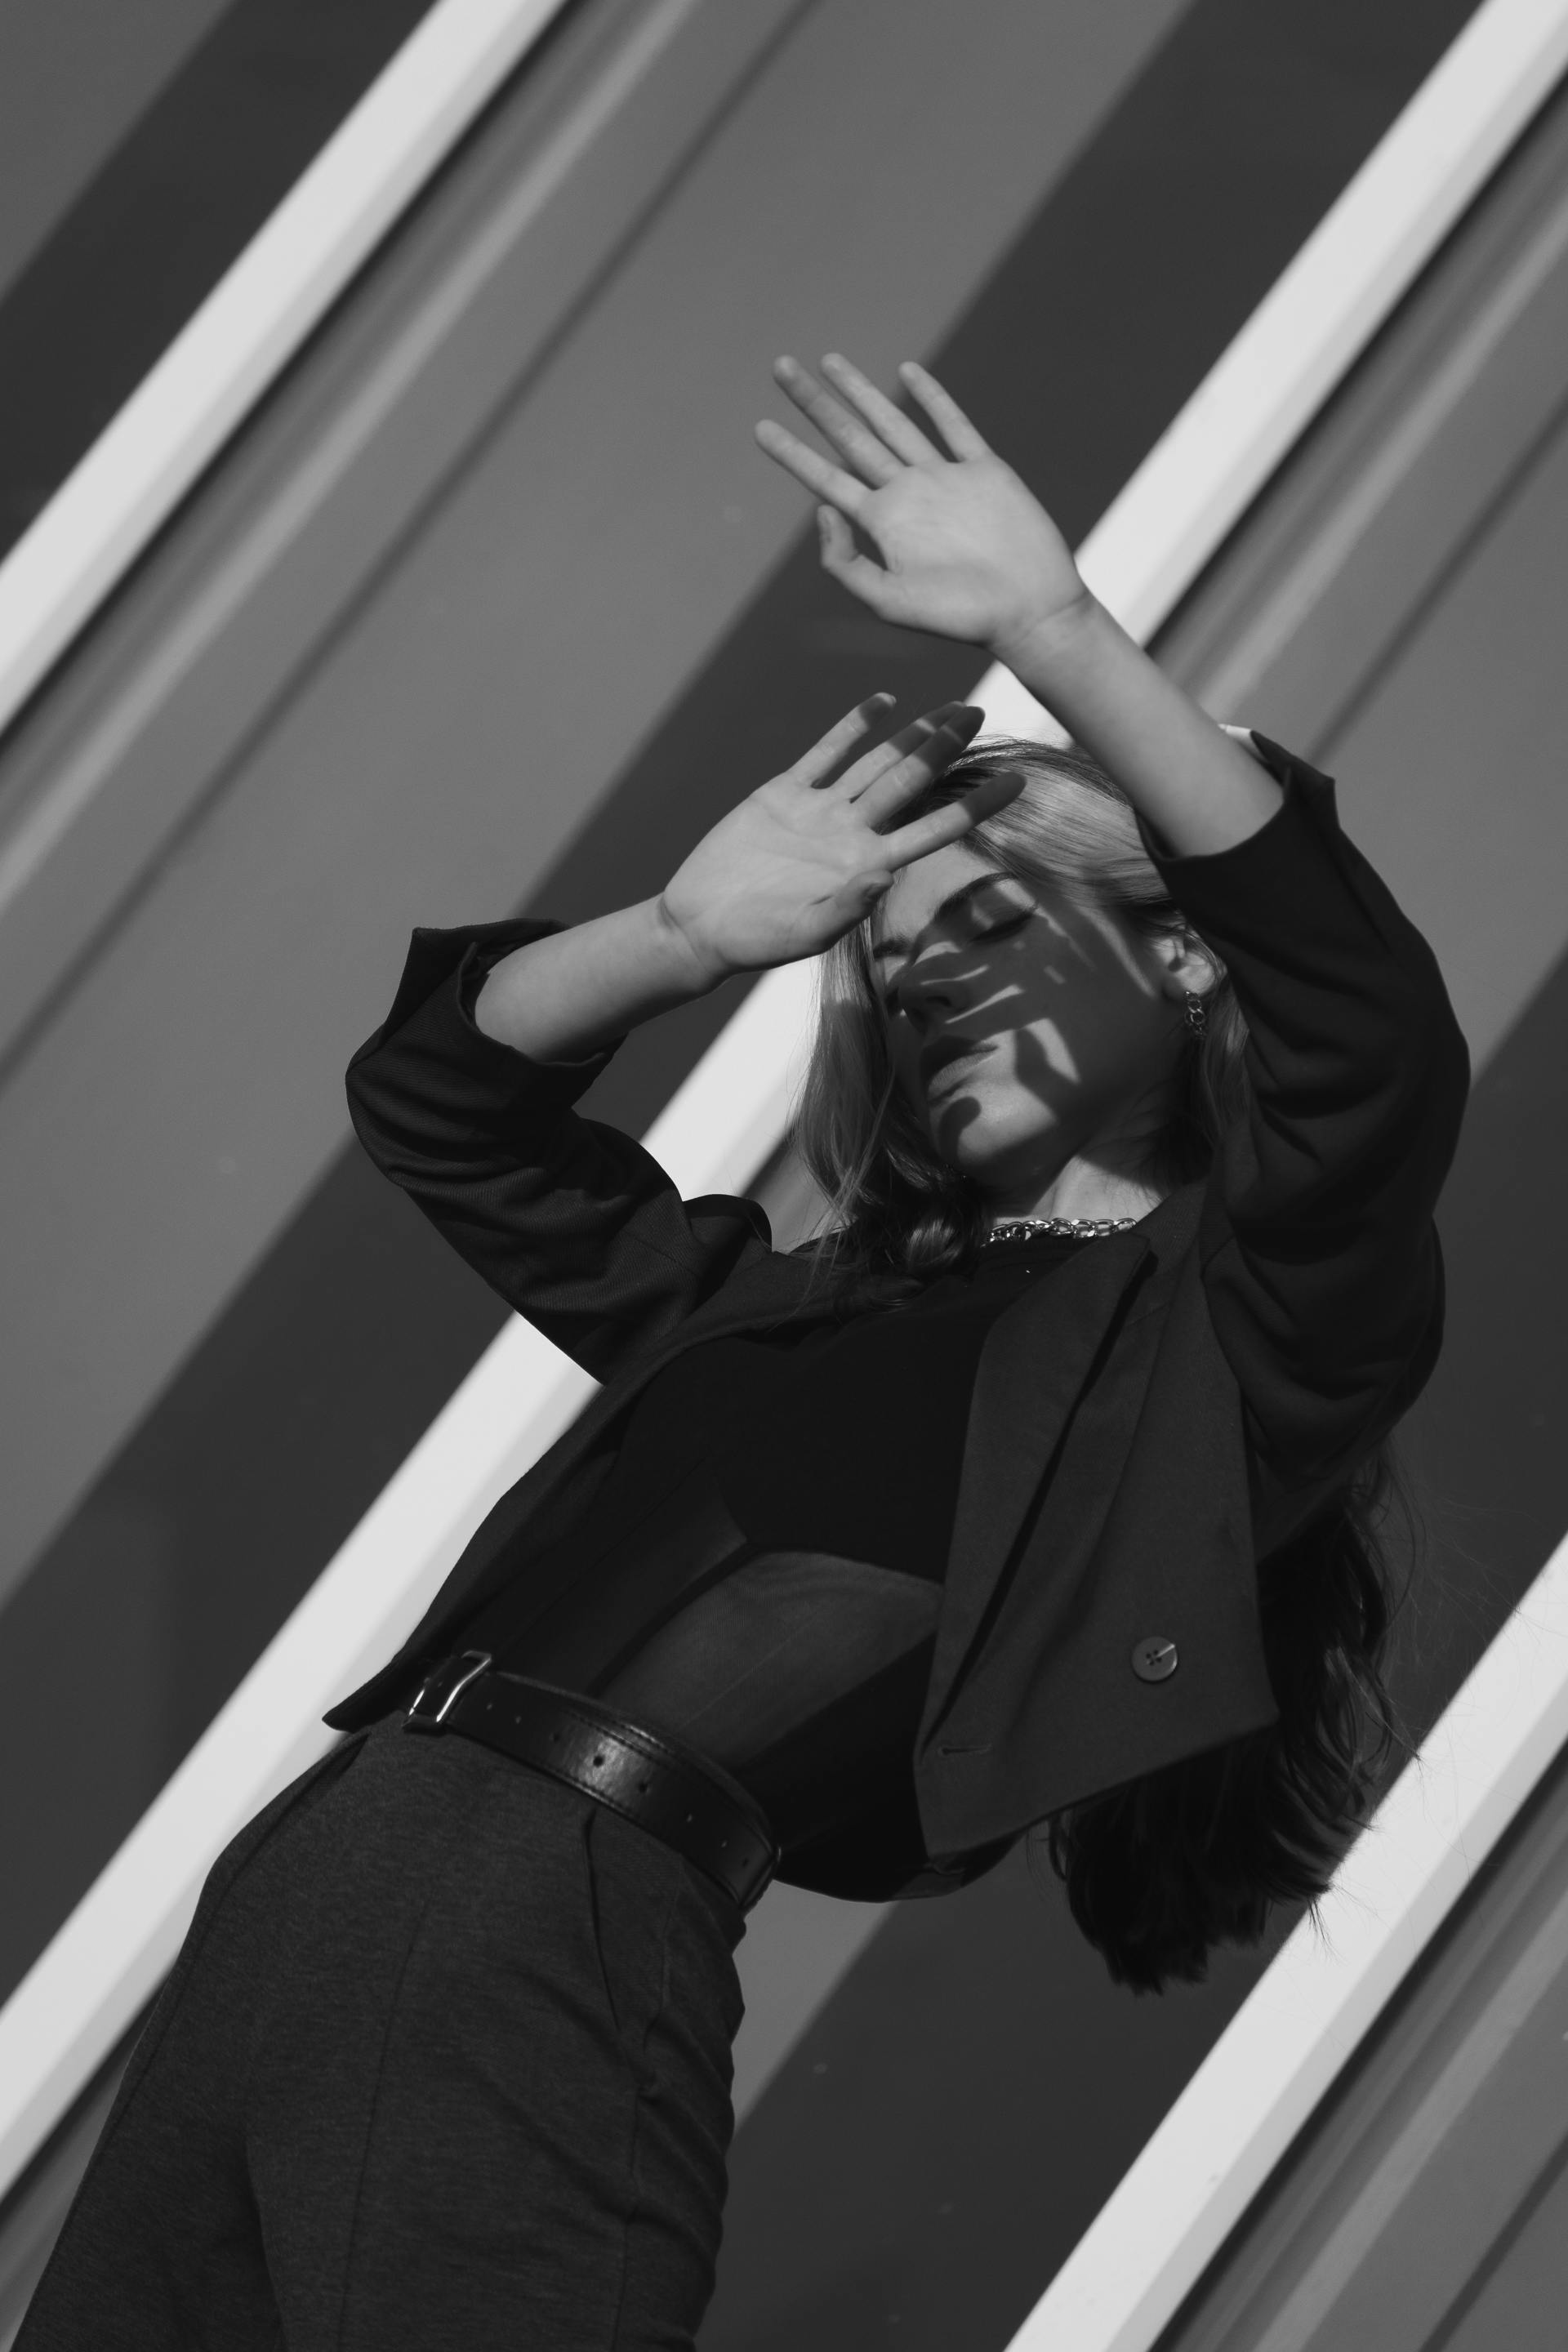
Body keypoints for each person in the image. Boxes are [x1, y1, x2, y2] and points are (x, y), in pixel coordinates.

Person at [17, 354, 1468, 2351]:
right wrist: (684, 942)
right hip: (303, 1893)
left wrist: (1054, 628)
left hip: (552, 1916)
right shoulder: (768, 1308)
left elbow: (1362, 1023)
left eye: (985, 927)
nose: (932, 983)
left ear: (1182, 952)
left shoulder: (1240, 1346)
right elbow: (449, 1110)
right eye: (896, 971)